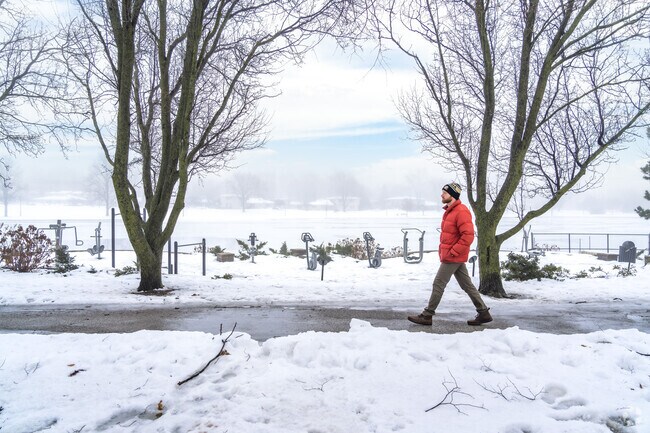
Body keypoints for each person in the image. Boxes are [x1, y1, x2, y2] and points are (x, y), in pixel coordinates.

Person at [407, 182, 493, 326]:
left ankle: (427, 315)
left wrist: (453, 252)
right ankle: (484, 313)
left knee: (438, 284)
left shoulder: (461, 211)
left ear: (452, 195)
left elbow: (468, 235)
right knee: (467, 286)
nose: (442, 195)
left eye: (445, 193)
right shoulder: (451, 211)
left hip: (453, 256)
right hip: (453, 256)